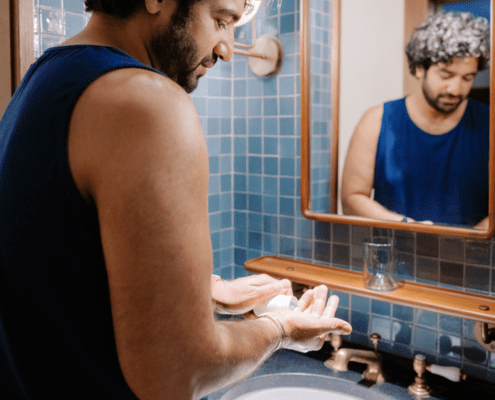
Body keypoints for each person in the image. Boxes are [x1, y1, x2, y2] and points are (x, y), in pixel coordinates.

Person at [0, 0, 352, 399]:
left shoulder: (44, 79)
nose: (227, 49)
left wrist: (209, 290)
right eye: (220, 21)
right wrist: (281, 330)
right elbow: (179, 372)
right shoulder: (146, 100)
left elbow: (62, 269)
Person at [341, 12, 490, 228]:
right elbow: (352, 198)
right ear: (420, 68)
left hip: (473, 257)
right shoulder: (376, 121)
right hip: (395, 254)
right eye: (446, 75)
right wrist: (408, 227)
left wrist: (468, 243)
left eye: (468, 78)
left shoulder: (490, 123)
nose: (456, 89)